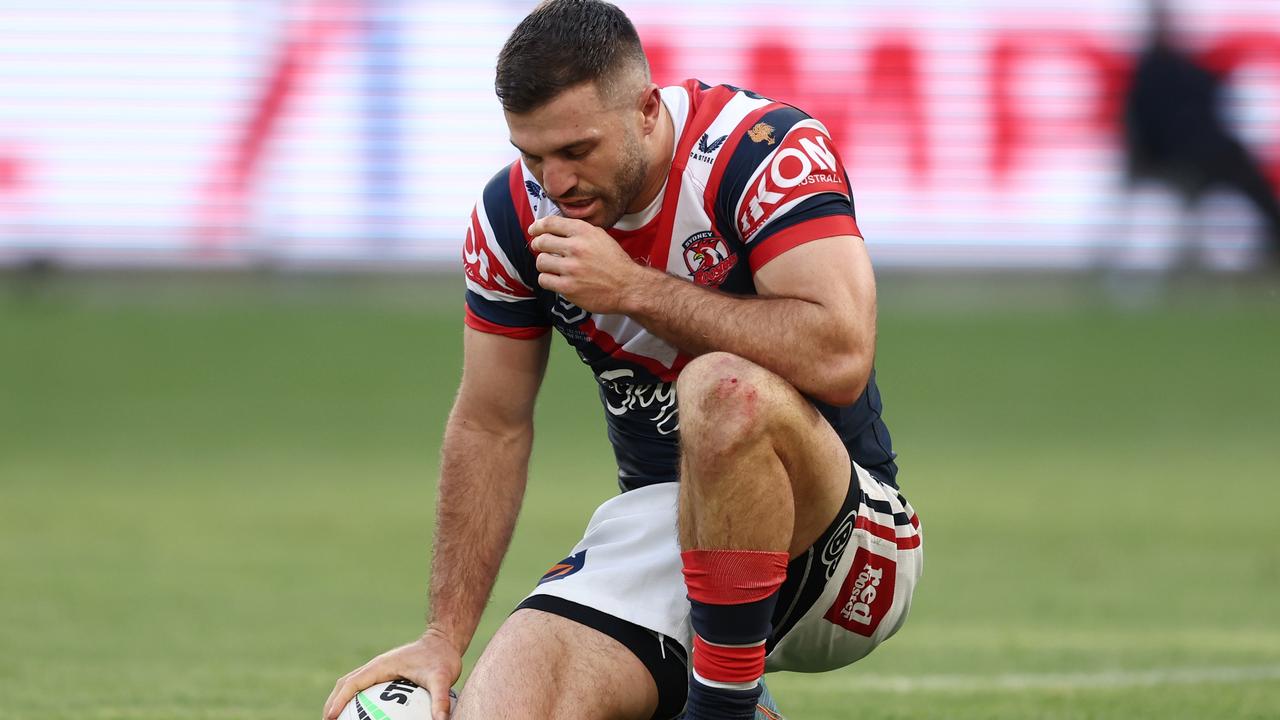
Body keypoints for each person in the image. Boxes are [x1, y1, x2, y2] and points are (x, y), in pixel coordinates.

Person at [323, 2, 923, 719]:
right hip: (668, 538)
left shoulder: (760, 153)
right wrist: (442, 637)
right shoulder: (513, 218)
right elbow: (491, 424)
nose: (556, 180)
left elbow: (841, 353)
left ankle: (719, 711)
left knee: (722, 389)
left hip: (847, 540)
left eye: (577, 151)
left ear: (645, 110)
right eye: (532, 154)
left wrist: (634, 289)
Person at [1122, 0, 1280, 268]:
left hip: (1206, 156)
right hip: (1175, 160)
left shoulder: (1186, 67)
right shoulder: (1150, 72)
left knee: (1252, 182)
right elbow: (1149, 129)